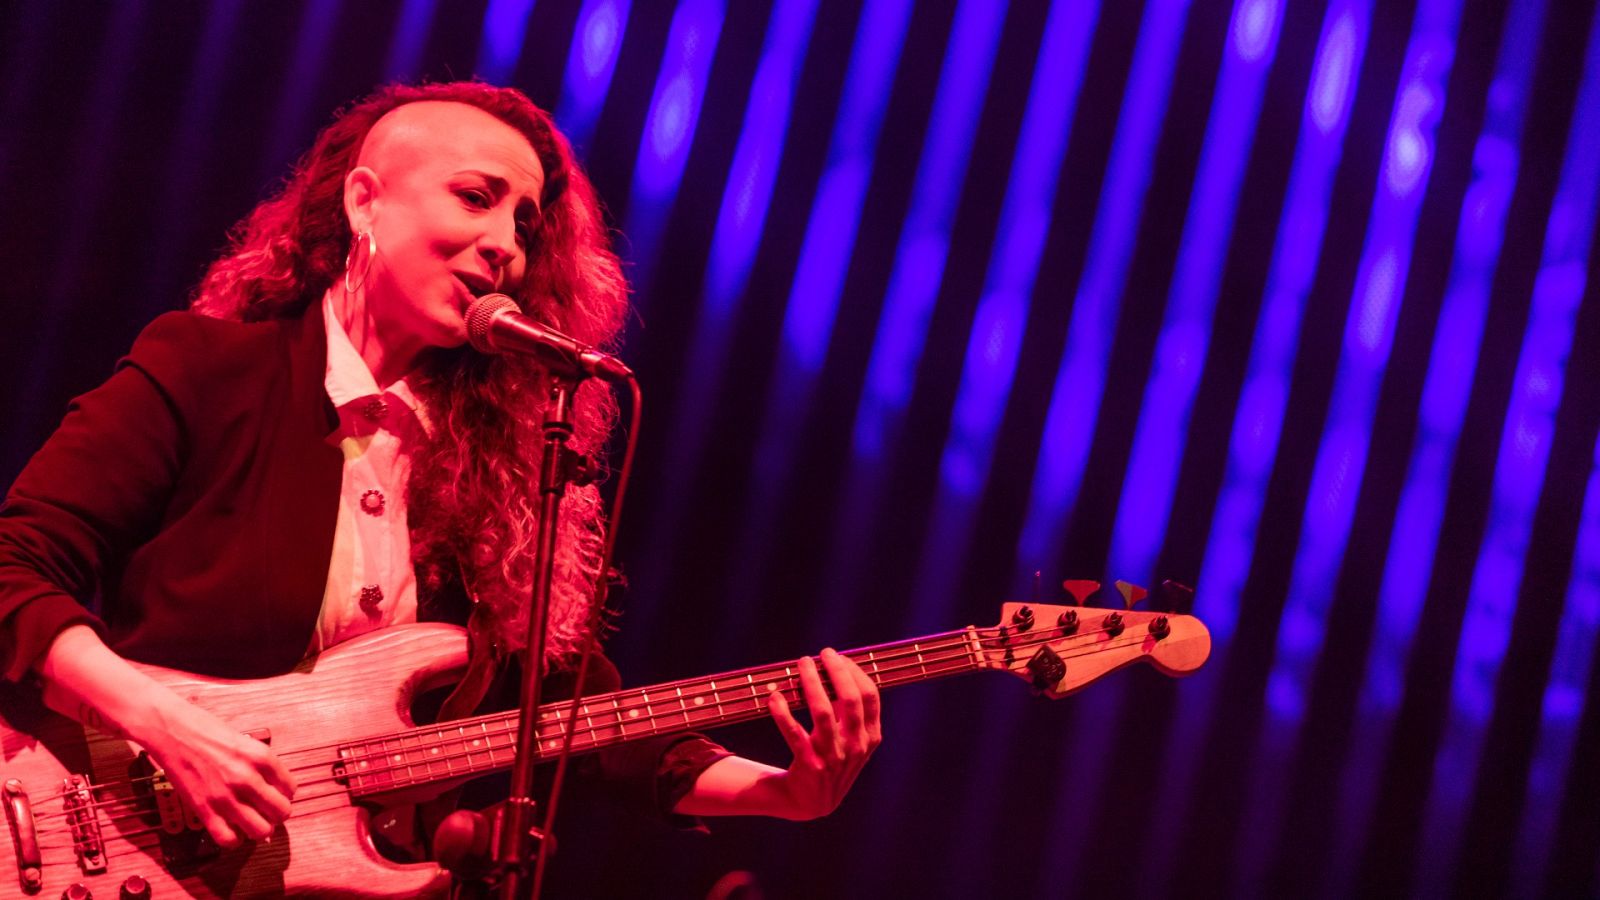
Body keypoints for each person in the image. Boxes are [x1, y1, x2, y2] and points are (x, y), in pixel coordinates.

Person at [0, 82, 880, 863]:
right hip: (97, 836)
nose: (504, 244)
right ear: (363, 205)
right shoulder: (206, 370)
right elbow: (15, 569)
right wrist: (165, 726)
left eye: (525, 224)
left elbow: (578, 716)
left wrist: (782, 792)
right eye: (476, 198)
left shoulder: (489, 468)